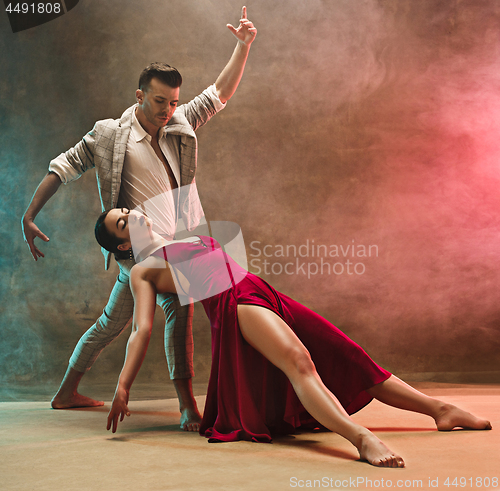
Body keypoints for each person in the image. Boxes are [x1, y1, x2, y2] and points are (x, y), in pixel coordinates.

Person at [97, 208, 491, 468]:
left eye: (127, 210)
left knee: (349, 355)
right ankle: (361, 438)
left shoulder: (176, 237)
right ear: (124, 245)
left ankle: (439, 410)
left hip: (261, 291)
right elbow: (142, 330)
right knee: (299, 362)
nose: (132, 214)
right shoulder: (142, 271)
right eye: (122, 222)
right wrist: (123, 387)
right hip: (234, 306)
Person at [20, 7, 257, 431]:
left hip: (180, 239)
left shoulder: (180, 122)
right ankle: (188, 407)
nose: (168, 109)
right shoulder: (110, 134)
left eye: (174, 101)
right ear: (139, 95)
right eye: (160, 101)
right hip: (138, 246)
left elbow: (219, 93)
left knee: (114, 320)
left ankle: (65, 392)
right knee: (176, 307)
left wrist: (242, 46)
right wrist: (30, 214)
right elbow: (64, 166)